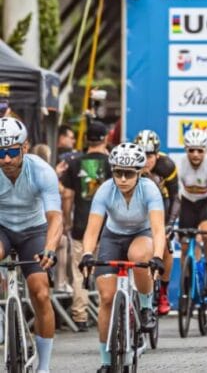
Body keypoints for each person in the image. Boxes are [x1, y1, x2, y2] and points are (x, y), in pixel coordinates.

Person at [78, 143, 165, 373]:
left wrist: (157, 257)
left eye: (128, 174)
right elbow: (92, 229)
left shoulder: (150, 190)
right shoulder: (105, 190)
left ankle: (146, 306)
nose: (123, 178)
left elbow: (158, 230)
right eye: (118, 172)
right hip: (112, 237)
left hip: (141, 234)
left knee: (139, 256)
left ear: (139, 173)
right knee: (106, 297)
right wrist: (87, 253)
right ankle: (106, 361)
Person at [0, 117, 62, 373]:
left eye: (12, 151)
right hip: (2, 227)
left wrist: (50, 247)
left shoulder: (41, 171)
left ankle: (44, 365)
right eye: (0, 153)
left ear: (24, 147)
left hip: (33, 230)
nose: (5, 159)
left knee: (40, 292)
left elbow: (55, 216)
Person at [60, 120, 111, 331]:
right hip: (107, 227)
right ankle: (103, 311)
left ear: (86, 139)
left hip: (81, 225)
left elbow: (68, 196)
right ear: (105, 138)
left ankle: (79, 316)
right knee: (104, 271)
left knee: (80, 271)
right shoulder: (112, 164)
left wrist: (67, 222)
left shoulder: (74, 163)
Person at [134, 129, 180, 316]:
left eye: (150, 155)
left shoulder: (167, 165)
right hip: (139, 206)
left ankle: (163, 291)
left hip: (162, 203)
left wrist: (170, 224)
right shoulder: (132, 164)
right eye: (142, 155)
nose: (146, 159)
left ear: (157, 154)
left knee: (166, 246)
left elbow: (176, 197)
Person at [176, 128, 207, 293]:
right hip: (188, 203)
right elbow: (176, 198)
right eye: (191, 150)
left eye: (200, 150)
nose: (196, 154)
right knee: (184, 245)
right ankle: (188, 279)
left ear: (206, 150)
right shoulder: (180, 165)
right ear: (186, 150)